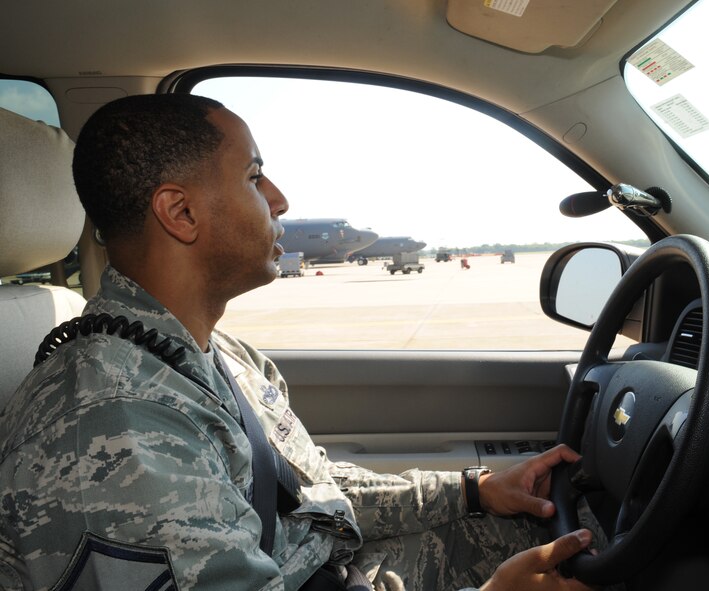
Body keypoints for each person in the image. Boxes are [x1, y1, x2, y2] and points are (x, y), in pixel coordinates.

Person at [0, 94, 595, 591]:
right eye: (254, 176)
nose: (279, 200)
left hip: (321, 569)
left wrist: (475, 489)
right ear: (180, 213)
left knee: (578, 533)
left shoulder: (214, 353)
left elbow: (312, 495)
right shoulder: (112, 428)